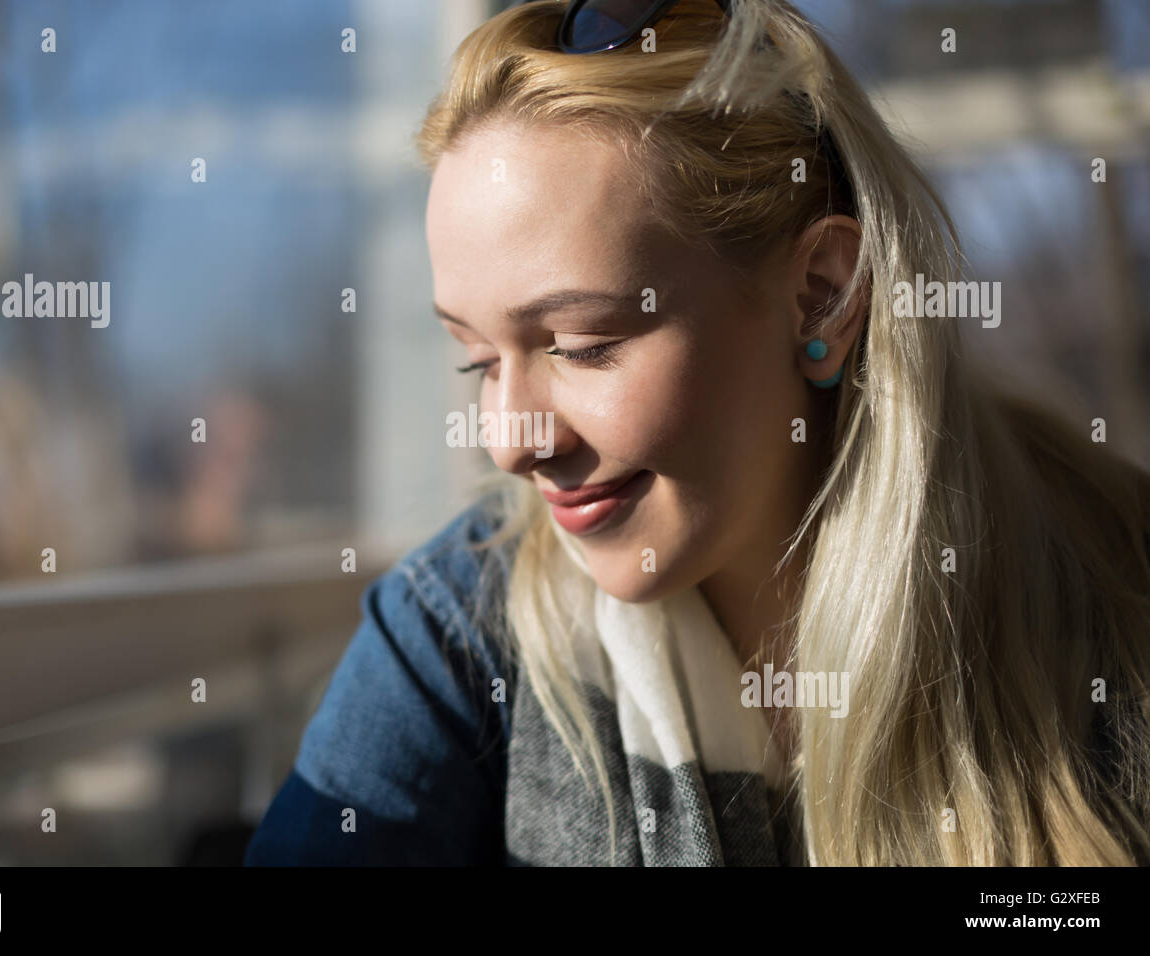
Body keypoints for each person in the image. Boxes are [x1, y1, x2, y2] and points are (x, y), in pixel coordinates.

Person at [246, 0, 1150, 866]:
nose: (508, 442)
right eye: (478, 360)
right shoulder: (456, 638)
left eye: (581, 346)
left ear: (823, 296)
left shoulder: (1116, 586)